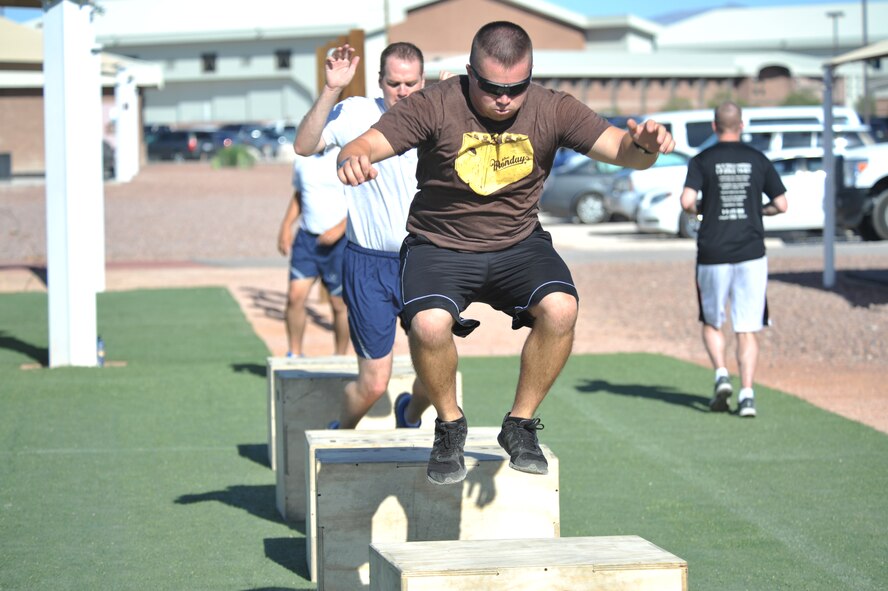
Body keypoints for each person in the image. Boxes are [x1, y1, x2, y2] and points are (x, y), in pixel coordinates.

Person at [335, 21, 675, 485]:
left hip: (518, 243)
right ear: (470, 72)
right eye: (492, 87)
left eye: (516, 88)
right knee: (429, 324)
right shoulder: (435, 103)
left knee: (561, 308)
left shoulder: (553, 108)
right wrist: (353, 154)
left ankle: (519, 425)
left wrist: (647, 148)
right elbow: (370, 141)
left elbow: (622, 148)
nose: (504, 99)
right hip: (439, 243)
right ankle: (450, 426)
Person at [293, 42, 429, 430]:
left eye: (411, 83)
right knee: (372, 384)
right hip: (368, 265)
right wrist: (332, 89)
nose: (402, 92)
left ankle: (409, 413)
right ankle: (342, 434)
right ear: (380, 80)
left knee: (438, 377)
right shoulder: (357, 112)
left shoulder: (439, 117)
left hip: (424, 263)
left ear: (422, 81)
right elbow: (304, 145)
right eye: (393, 83)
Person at [679, 101, 787, 418]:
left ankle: (722, 375)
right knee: (747, 327)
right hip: (751, 252)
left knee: (713, 321)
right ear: (742, 125)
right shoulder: (758, 158)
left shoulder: (702, 159)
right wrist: (758, 211)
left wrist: (700, 210)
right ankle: (748, 394)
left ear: (714, 126)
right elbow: (781, 204)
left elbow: (687, 201)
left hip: (713, 251)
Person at [277, 148, 350, 357]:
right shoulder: (302, 159)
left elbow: (362, 200)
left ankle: (340, 357)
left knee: (339, 305)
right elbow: (299, 195)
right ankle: (295, 353)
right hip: (307, 239)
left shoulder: (347, 153)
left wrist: (340, 228)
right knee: (294, 297)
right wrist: (286, 226)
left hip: (340, 243)